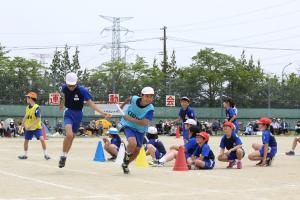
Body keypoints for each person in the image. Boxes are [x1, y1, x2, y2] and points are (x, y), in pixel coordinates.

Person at [58, 72, 112, 168]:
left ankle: (65, 156)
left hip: (78, 114)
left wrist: (103, 113)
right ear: (66, 83)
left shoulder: (82, 91)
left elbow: (91, 104)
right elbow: (64, 95)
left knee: (72, 137)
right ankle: (62, 155)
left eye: (72, 85)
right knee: (69, 135)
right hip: (68, 113)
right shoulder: (64, 87)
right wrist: (62, 103)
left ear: (76, 83)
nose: (71, 87)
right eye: (69, 85)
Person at [119, 87, 155, 174]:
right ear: (141, 96)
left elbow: (144, 122)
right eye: (147, 96)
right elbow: (129, 99)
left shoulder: (150, 109)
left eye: (151, 96)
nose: (149, 98)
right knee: (132, 143)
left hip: (140, 130)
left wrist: (129, 118)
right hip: (128, 125)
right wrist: (121, 106)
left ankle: (126, 163)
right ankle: (126, 157)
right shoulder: (134, 98)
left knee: (137, 151)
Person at [18, 92, 50, 160]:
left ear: (31, 99)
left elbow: (38, 119)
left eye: (27, 97)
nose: (26, 98)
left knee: (42, 139)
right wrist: (21, 127)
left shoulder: (37, 107)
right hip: (28, 129)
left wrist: (31, 125)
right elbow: (25, 117)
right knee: (26, 141)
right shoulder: (27, 107)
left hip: (36, 128)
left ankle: (46, 154)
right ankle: (25, 155)